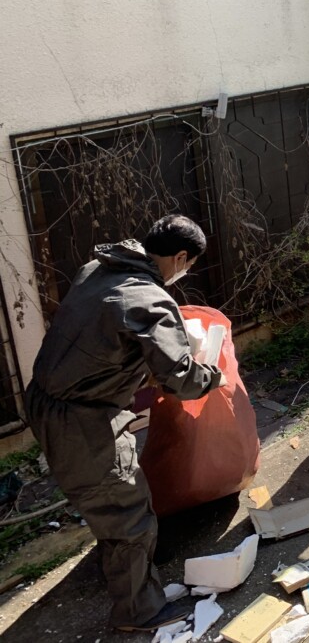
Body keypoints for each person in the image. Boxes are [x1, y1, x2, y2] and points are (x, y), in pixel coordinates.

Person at [26, 215, 224, 632]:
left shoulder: (99, 267)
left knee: (108, 501)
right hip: (85, 421)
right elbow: (183, 380)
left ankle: (122, 570)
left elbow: (101, 335)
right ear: (181, 257)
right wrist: (213, 374)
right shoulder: (149, 300)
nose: (185, 272)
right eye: (188, 265)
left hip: (45, 398)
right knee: (128, 512)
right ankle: (137, 611)